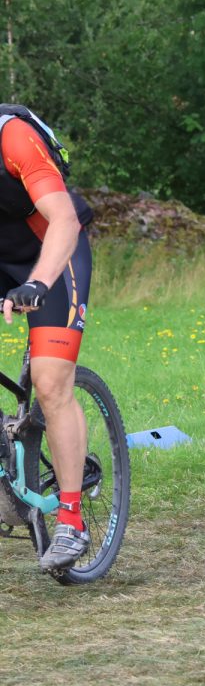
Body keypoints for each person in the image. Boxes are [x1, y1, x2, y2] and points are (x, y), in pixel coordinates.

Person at [0, 110, 94, 569]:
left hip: (53, 252)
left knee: (51, 383)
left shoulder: (13, 138)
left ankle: (72, 521)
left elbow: (63, 220)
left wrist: (36, 284)